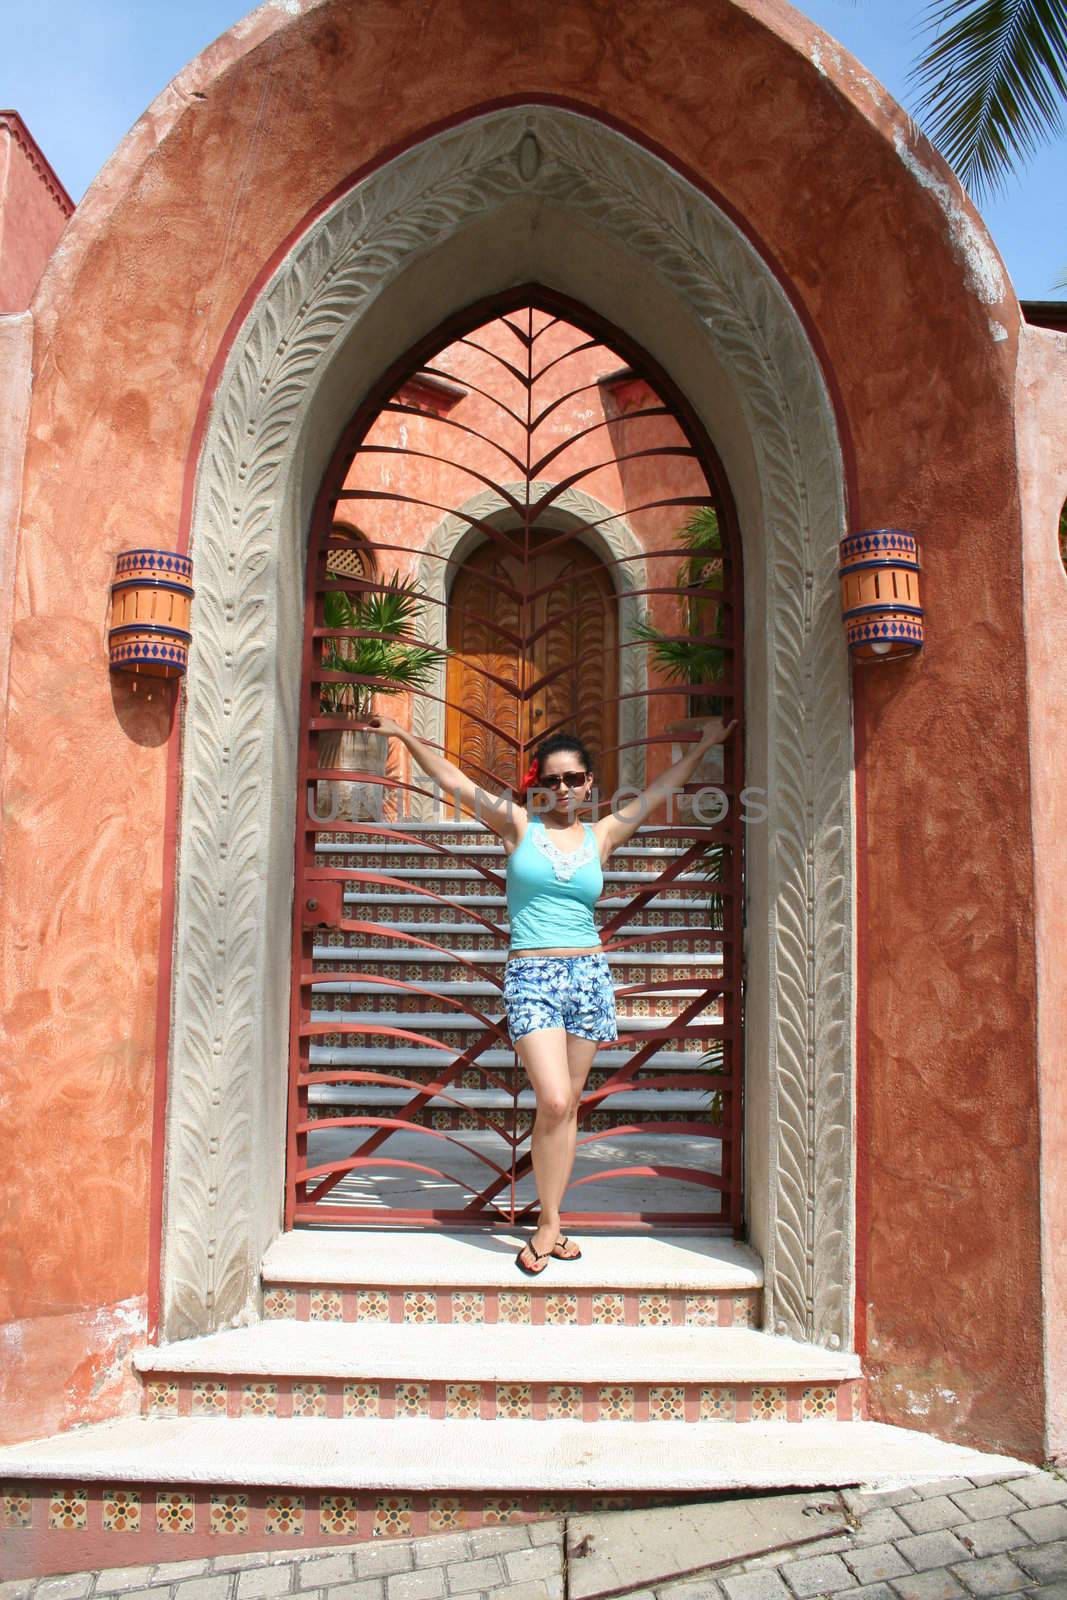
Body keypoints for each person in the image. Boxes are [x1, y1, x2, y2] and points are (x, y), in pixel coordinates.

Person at [367, 712, 738, 1273]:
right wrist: (402, 737)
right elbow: (453, 782)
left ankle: (552, 1222)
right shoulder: (520, 826)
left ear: (590, 783)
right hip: (532, 975)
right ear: (539, 785)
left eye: (574, 779)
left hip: (588, 976)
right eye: (552, 780)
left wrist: (706, 744)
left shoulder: (603, 834)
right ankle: (549, 1223)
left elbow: (663, 788)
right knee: (555, 1100)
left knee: (570, 1110)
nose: (562, 789)